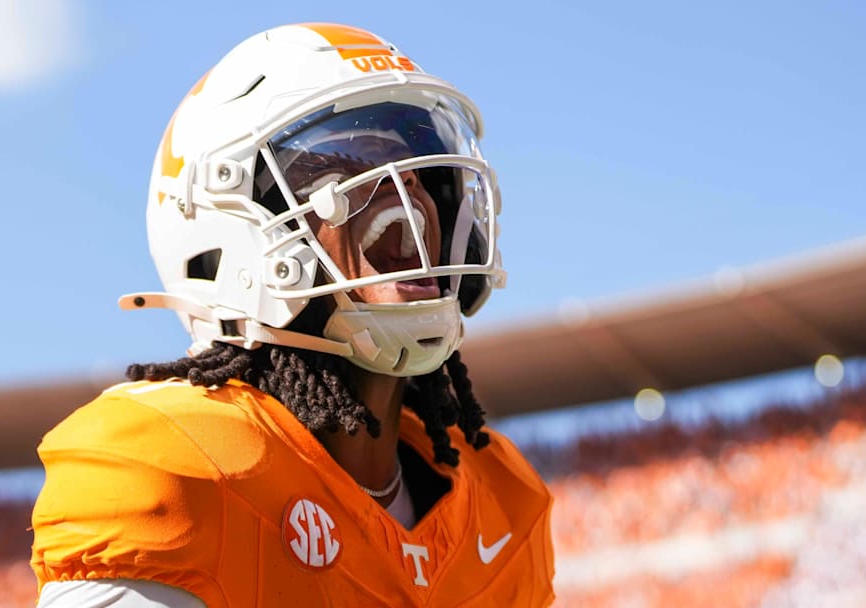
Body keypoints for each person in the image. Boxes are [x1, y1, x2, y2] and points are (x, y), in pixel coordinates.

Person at [31, 22, 555, 607]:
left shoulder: (502, 497)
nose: (407, 189)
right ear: (224, 231)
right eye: (346, 160)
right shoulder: (179, 468)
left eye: (420, 165)